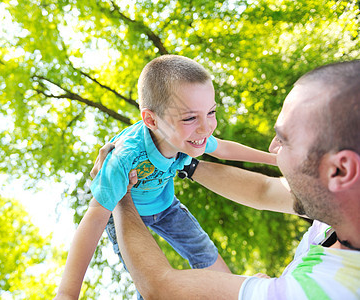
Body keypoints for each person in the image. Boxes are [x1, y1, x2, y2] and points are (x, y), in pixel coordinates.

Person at [94, 59, 360, 299]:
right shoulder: (340, 204)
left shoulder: (324, 291)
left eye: (285, 140)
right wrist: (185, 161)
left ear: (340, 170)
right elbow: (263, 190)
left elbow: (160, 287)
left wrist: (120, 192)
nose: (272, 147)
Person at [54, 55, 276, 299]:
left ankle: (238, 293)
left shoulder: (189, 135)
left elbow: (223, 148)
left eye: (211, 112)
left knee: (202, 248)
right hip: (129, 215)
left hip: (165, 205)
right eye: (190, 117)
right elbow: (94, 217)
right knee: (147, 277)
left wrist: (275, 159)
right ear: (151, 119)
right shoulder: (124, 158)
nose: (206, 127)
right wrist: (67, 293)